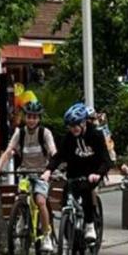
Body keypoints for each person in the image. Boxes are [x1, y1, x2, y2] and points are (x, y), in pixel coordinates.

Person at [0, 100, 57, 252]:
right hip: (24, 172)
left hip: (42, 173)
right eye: (29, 116)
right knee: (21, 196)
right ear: (25, 117)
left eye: (35, 117)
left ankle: (47, 235)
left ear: (39, 119)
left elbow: (53, 152)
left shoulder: (45, 133)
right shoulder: (19, 132)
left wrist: (52, 168)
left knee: (41, 201)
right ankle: (21, 220)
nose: (31, 120)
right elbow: (8, 152)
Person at [46, 103, 111, 241]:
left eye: (76, 125)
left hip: (92, 173)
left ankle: (89, 225)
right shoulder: (68, 138)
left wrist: (98, 173)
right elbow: (59, 156)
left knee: (86, 191)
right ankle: (71, 231)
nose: (73, 129)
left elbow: (106, 160)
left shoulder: (96, 135)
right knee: (66, 197)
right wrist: (48, 170)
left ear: (83, 123)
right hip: (74, 173)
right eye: (70, 126)